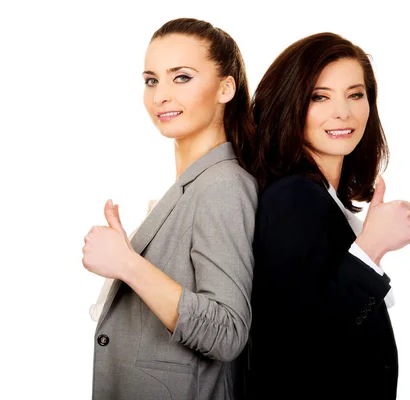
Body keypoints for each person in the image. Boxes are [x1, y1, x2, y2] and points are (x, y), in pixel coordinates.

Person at [82, 18, 258, 400]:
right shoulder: (195, 184)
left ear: (225, 88)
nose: (161, 95)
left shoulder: (223, 184)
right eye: (151, 80)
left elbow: (227, 332)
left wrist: (128, 265)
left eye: (181, 77)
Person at [245, 32, 410, 399]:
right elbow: (294, 344)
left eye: (356, 95)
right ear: (289, 104)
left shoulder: (320, 196)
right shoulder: (293, 196)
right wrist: (371, 248)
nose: (344, 111)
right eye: (320, 97)